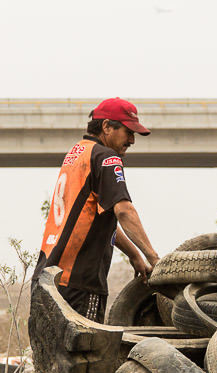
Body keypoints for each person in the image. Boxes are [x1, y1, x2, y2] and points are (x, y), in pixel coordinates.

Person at [31, 97, 160, 323]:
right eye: (128, 131)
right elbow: (124, 211)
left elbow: (97, 217)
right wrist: (154, 257)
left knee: (52, 357)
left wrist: (133, 254)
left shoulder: (77, 153)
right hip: (79, 283)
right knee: (85, 357)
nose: (132, 140)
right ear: (107, 126)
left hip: (47, 278)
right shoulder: (107, 158)